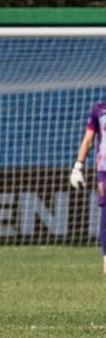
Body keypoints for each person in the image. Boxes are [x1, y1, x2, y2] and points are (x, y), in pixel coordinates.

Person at [68, 102, 106, 273]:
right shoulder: (99, 110)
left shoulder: (100, 109)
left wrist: (78, 167)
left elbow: (88, 140)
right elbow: (89, 140)